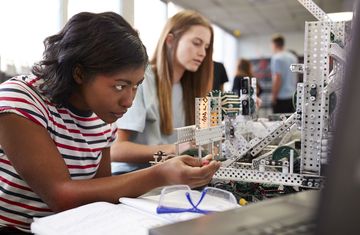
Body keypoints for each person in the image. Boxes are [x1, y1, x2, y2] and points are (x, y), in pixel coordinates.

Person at [0, 12, 220, 233]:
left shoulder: (102, 112)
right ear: (79, 73)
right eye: (120, 86)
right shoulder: (20, 100)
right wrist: (161, 174)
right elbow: (61, 196)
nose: (129, 101)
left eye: (136, 86)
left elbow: (101, 190)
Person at [111, 10, 214, 174]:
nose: (202, 53)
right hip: (133, 179)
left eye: (206, 47)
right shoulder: (142, 80)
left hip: (169, 178)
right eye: (196, 43)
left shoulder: (188, 89)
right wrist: (174, 149)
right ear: (170, 40)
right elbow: (116, 150)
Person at [270, 34, 298, 113]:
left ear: (274, 44)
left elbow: (277, 78)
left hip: (281, 98)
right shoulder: (293, 57)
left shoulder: (276, 58)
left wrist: (273, 97)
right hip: (292, 96)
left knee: (279, 123)